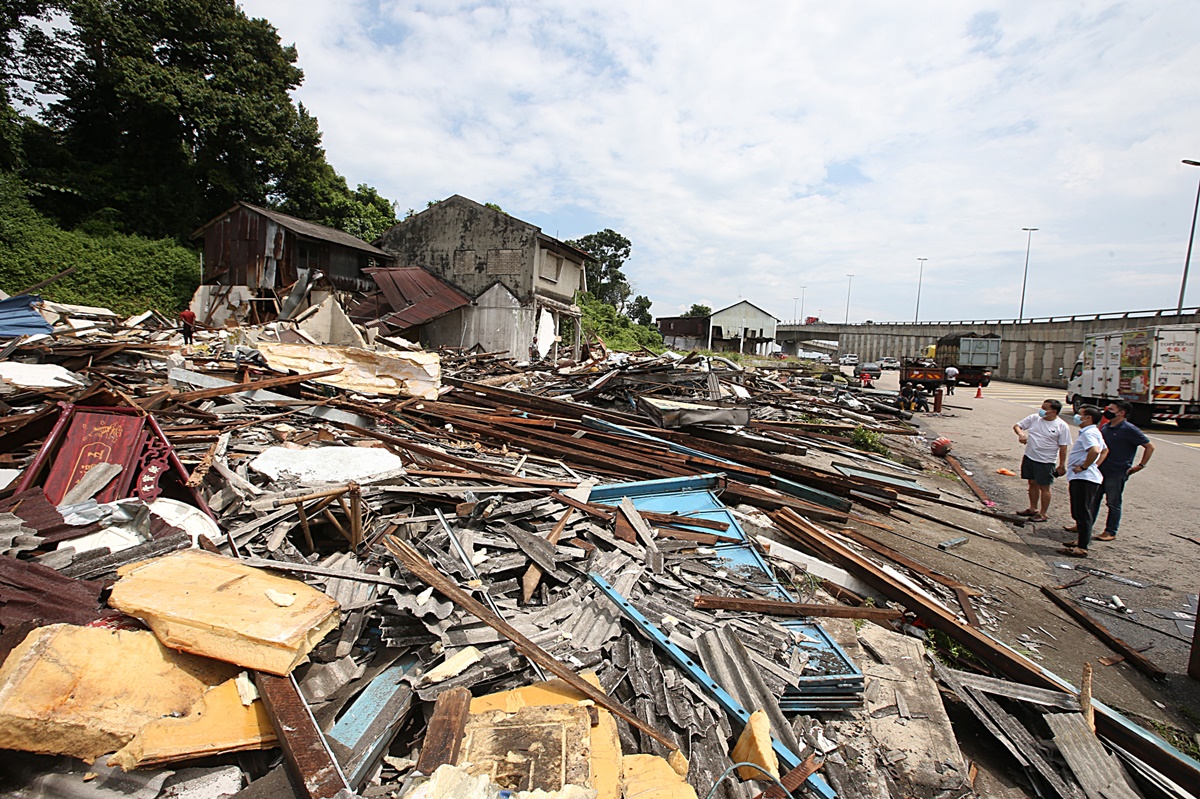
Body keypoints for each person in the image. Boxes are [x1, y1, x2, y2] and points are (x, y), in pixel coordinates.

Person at [1066, 399, 1154, 542]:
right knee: (1092, 501)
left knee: (1113, 502)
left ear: (1121, 413)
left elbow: (1150, 447)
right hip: (1100, 471)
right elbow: (1103, 450)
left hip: (1117, 471)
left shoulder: (1129, 429)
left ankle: (1110, 531)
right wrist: (1094, 465)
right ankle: (1084, 527)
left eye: (1111, 410)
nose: (1107, 412)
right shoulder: (1105, 427)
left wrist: (1140, 465)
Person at [1013, 399, 1071, 522]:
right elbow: (1017, 426)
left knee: (1044, 487)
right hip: (1030, 457)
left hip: (1046, 461)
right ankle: (1032, 508)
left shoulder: (1061, 426)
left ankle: (1043, 513)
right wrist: (1021, 434)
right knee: (1032, 483)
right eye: (1042, 407)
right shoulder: (1034, 418)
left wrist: (1061, 465)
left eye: (1045, 408)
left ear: (1054, 411)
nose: (1041, 410)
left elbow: (1063, 447)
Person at [1061, 406, 1108, 556]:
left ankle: (1082, 547)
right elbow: (1105, 451)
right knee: (1079, 511)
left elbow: (1095, 450)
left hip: (1084, 478)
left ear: (1088, 418)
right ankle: (1081, 539)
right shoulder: (1094, 432)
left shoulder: (1089, 433)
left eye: (1079, 414)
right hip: (1084, 477)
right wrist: (1093, 465)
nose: (1076, 416)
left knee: (1082, 513)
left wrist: (1085, 466)